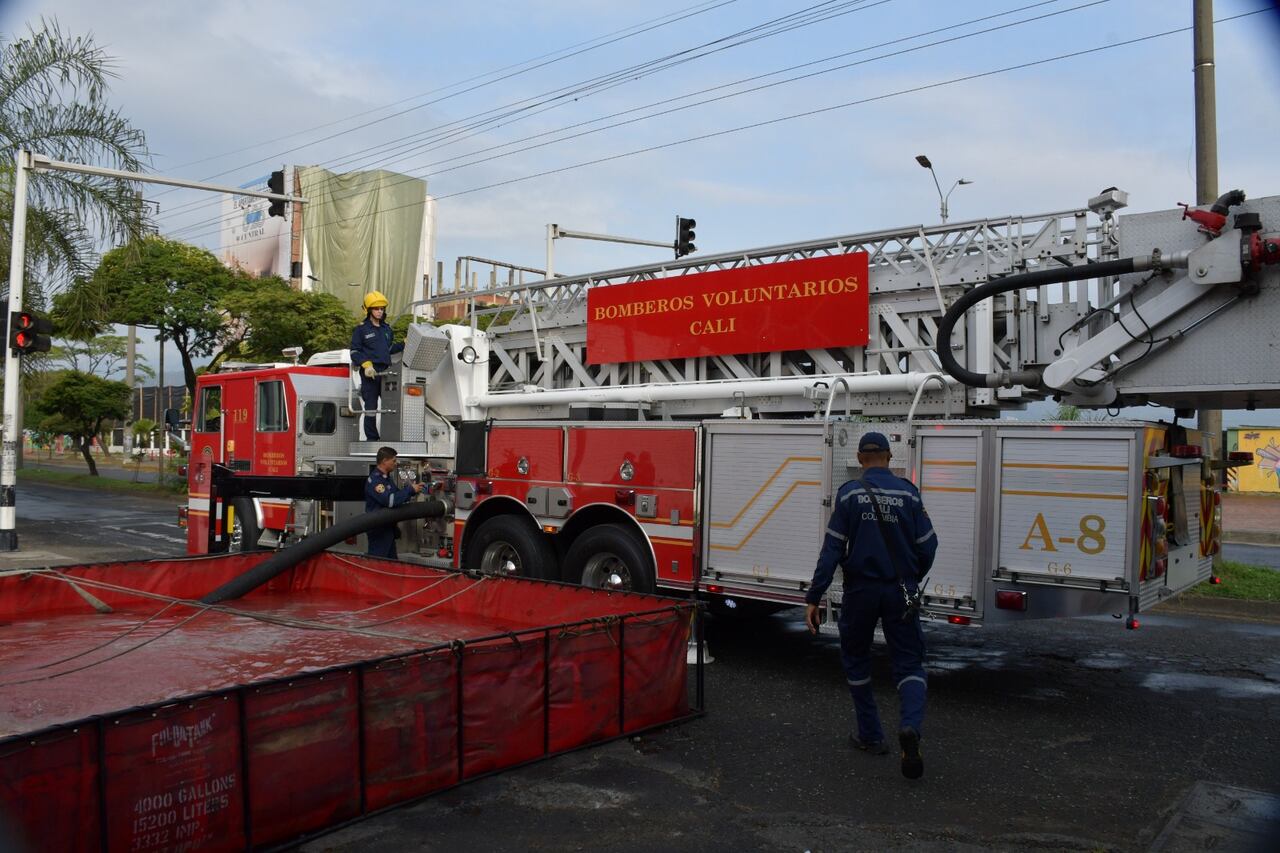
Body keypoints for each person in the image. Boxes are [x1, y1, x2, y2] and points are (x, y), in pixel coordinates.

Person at [804, 431, 938, 779]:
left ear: (861, 460)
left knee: (856, 658)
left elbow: (832, 549)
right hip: (900, 591)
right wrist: (910, 575)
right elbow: (928, 545)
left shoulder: (849, 495)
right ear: (890, 457)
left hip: (860, 592)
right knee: (909, 662)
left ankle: (871, 734)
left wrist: (814, 596)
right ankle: (910, 727)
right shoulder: (909, 493)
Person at [350, 290, 403, 441]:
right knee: (371, 407)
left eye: (381, 309)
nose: (380, 311)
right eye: (376, 308)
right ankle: (372, 438)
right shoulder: (361, 330)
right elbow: (354, 351)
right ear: (368, 310)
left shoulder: (387, 329)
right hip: (370, 372)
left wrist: (404, 344)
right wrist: (366, 365)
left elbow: (388, 350)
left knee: (391, 405)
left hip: (386, 372)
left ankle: (390, 435)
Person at [364, 446, 425, 559]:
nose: (395, 463)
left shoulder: (387, 479)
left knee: (391, 564)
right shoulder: (375, 481)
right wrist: (410, 490)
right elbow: (390, 501)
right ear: (384, 461)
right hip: (379, 530)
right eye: (393, 460)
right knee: (379, 565)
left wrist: (414, 491)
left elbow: (397, 495)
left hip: (388, 529)